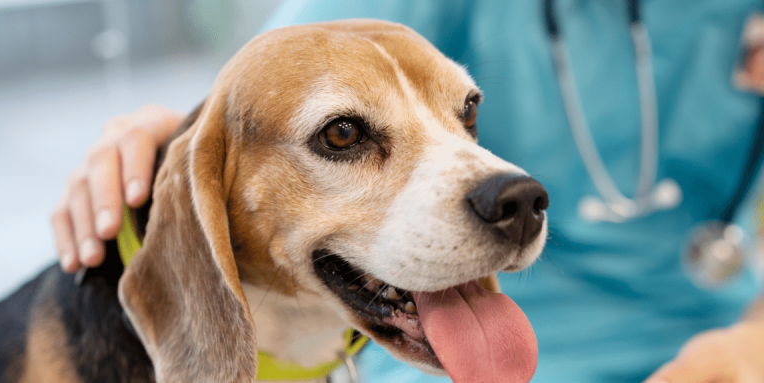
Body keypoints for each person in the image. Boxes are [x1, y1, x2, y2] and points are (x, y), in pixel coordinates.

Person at [51, 0, 764, 381]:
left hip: (725, 338)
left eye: (468, 113)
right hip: (484, 332)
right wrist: (172, 133)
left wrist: (752, 346)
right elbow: (269, 99)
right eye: (346, 137)